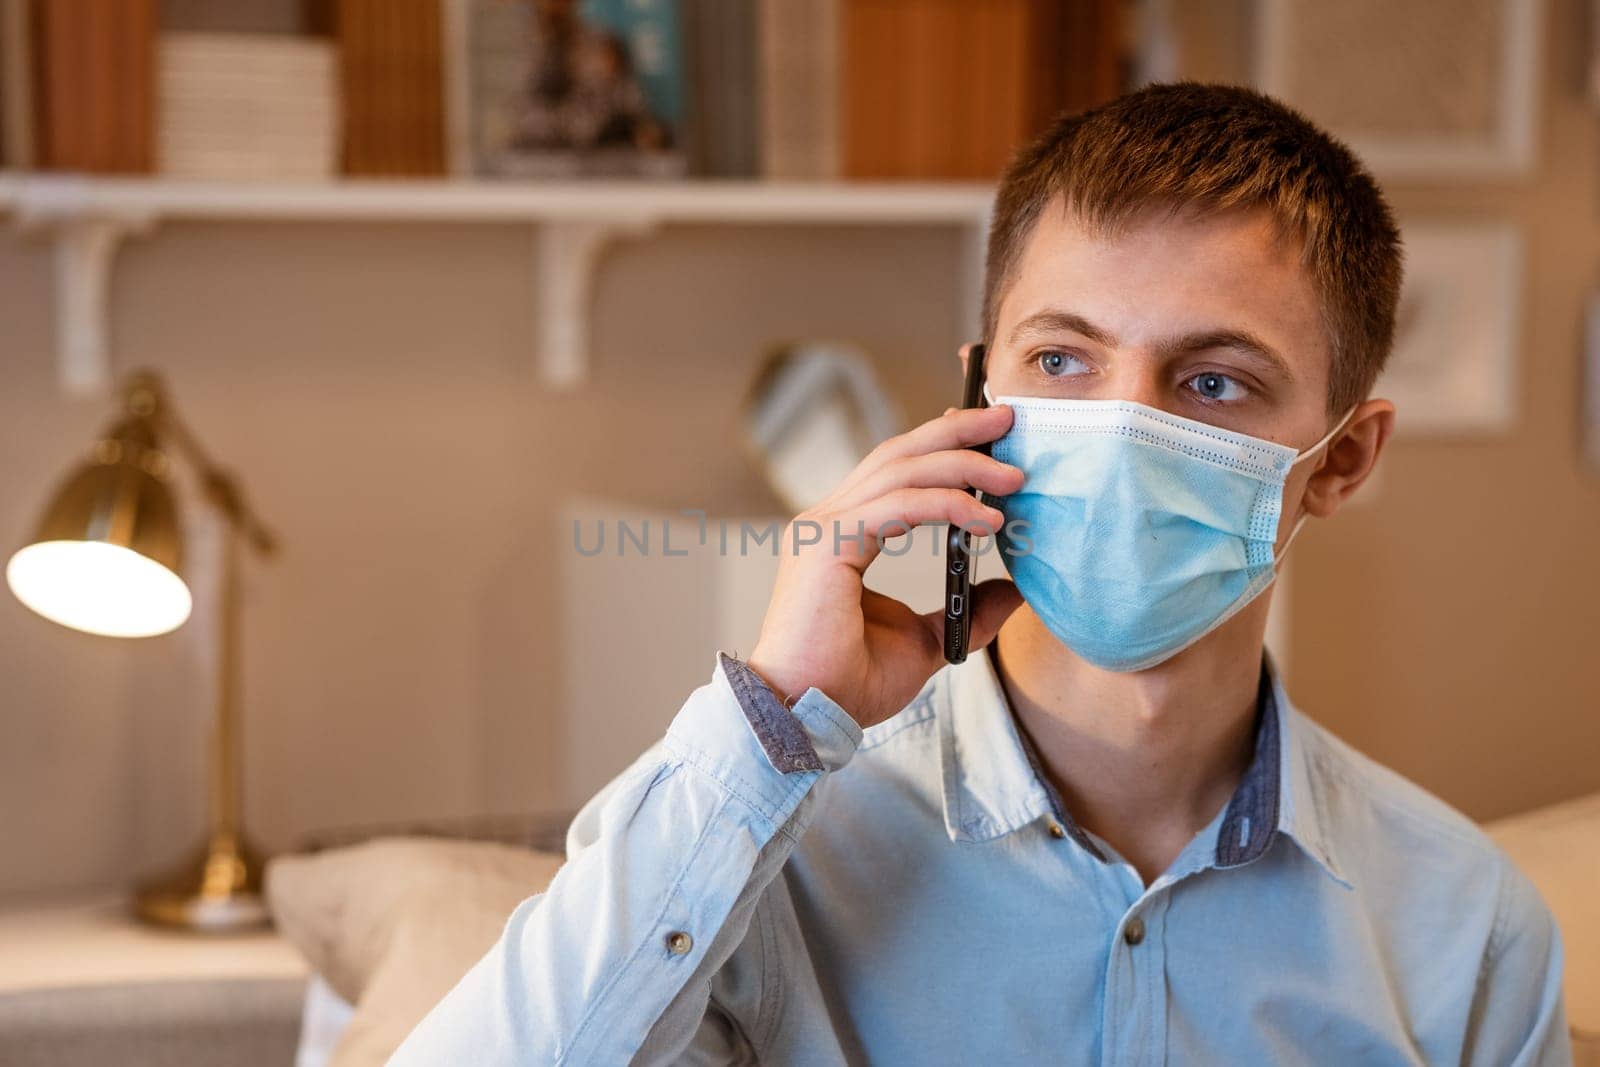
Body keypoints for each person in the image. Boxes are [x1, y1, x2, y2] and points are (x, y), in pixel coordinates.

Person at [390, 83, 1570, 1065]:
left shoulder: (1466, 930)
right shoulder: (762, 856)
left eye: (1213, 381)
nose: (1121, 428)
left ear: (1340, 458)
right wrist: (766, 723)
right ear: (976, 400)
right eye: (1061, 358)